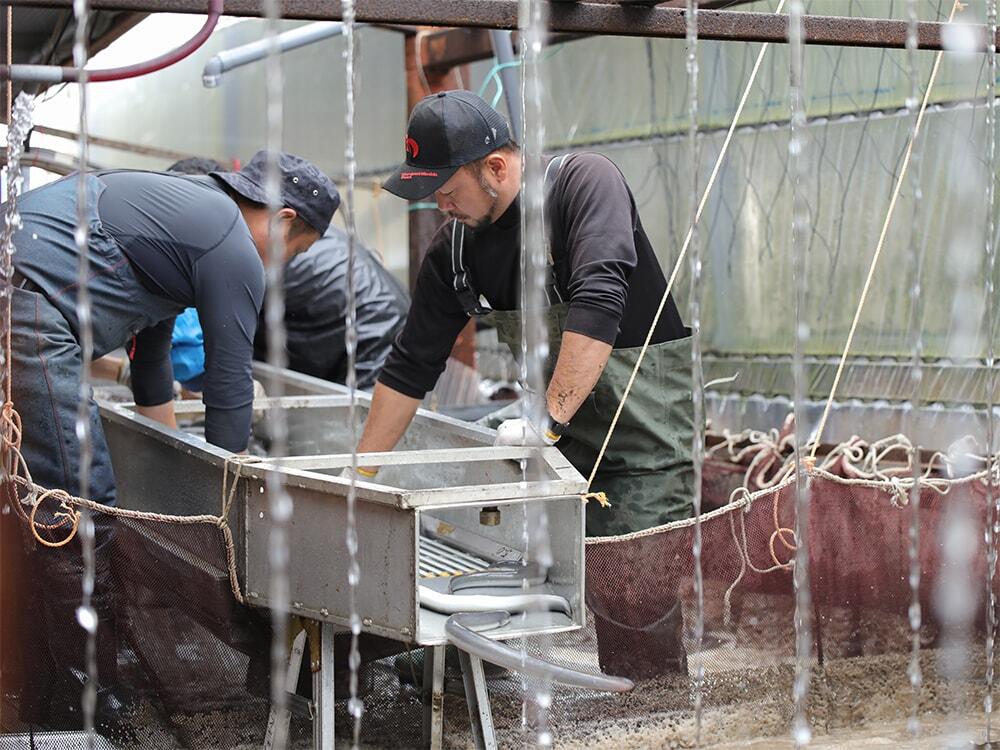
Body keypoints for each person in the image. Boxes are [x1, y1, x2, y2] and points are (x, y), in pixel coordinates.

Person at [353, 90, 695, 679]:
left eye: (447, 188)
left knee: (635, 600)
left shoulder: (581, 186)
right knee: (501, 571)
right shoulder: (454, 251)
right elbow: (410, 366)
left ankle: (653, 716)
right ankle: (474, 701)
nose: (440, 204)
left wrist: (548, 418)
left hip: (641, 442)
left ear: (496, 167)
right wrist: (358, 477)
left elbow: (599, 298)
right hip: (554, 447)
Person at [5, 150, 338, 738]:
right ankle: (77, 697)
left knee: (35, 495)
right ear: (284, 220)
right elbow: (230, 389)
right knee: (78, 509)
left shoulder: (184, 218)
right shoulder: (231, 244)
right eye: (300, 250)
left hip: (20, 288)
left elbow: (152, 364)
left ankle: (38, 670)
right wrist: (226, 516)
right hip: (29, 304)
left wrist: (171, 475)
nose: (287, 265)